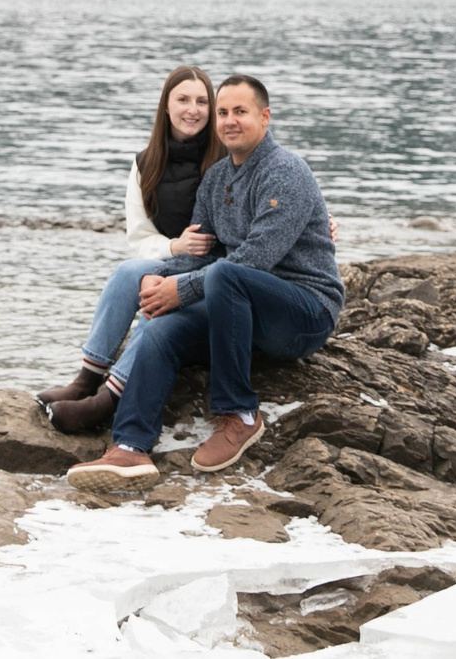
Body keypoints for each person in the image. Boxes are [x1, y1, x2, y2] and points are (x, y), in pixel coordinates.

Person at [67, 73, 341, 490]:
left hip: (303, 311)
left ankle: (240, 415)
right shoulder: (216, 180)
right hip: (240, 312)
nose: (231, 120)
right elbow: (208, 253)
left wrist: (183, 289)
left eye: (241, 112)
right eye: (225, 112)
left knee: (230, 274)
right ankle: (129, 447)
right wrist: (159, 280)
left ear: (265, 118)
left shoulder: (285, 171)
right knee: (161, 327)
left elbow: (255, 260)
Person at [36, 65, 217, 433]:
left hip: (215, 273)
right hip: (172, 259)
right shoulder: (145, 164)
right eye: (182, 99)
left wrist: (318, 215)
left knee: (157, 305)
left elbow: (271, 184)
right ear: (165, 107)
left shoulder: (227, 155)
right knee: (127, 273)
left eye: (202, 101)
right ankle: (88, 376)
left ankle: (109, 400)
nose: (192, 110)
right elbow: (138, 238)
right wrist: (174, 245)